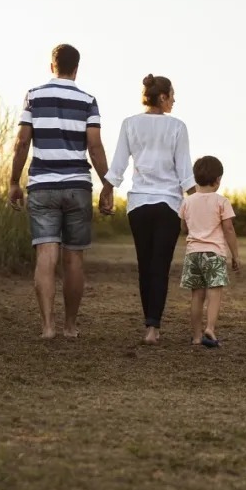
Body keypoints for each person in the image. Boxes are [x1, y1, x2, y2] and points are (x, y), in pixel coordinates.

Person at [9, 44, 113, 339]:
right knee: (74, 258)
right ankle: (70, 326)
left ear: (51, 66)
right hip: (78, 186)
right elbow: (95, 147)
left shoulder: (33, 96)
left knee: (46, 253)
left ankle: (47, 326)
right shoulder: (88, 101)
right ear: (76, 68)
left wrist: (14, 181)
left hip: (42, 186)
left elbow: (22, 142)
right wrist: (107, 185)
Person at [104, 74, 196, 346]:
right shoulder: (177, 127)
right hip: (168, 205)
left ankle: (150, 325)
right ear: (163, 97)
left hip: (139, 206)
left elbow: (118, 164)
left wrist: (107, 191)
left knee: (145, 266)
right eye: (172, 96)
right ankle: (153, 327)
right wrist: (198, 203)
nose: (174, 101)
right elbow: (185, 171)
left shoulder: (130, 124)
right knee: (160, 267)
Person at [180, 155, 241, 348]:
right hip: (214, 254)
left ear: (195, 178)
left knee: (197, 296)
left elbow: (183, 227)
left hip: (193, 255)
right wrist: (235, 255)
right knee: (215, 293)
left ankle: (196, 336)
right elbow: (228, 229)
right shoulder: (222, 201)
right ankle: (210, 328)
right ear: (218, 179)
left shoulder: (187, 202)